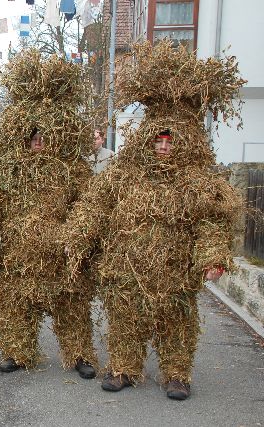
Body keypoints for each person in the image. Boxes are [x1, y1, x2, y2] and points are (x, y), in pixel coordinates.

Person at [63, 41, 244, 401]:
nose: (163, 147)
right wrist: (79, 237)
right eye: (158, 140)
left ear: (184, 143)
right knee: (126, 320)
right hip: (126, 269)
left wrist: (212, 256)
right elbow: (95, 206)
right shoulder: (122, 174)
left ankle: (177, 375)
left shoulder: (196, 182)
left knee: (177, 323)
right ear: (147, 140)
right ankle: (124, 369)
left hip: (174, 272)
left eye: (170, 141)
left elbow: (209, 222)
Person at [0, 50, 97, 379]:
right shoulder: (8, 169)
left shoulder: (74, 170)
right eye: (32, 136)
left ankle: (79, 354)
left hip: (62, 258)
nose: (38, 142)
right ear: (20, 135)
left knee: (72, 306)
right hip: (17, 258)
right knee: (16, 305)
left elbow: (89, 203)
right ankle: (17, 351)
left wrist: (77, 231)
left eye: (44, 136)